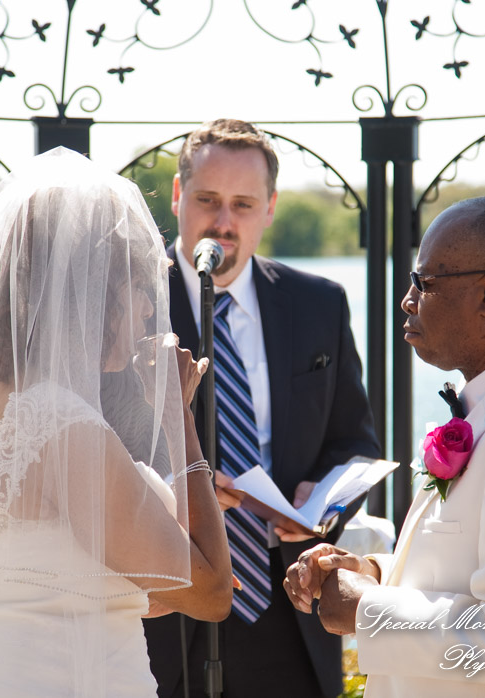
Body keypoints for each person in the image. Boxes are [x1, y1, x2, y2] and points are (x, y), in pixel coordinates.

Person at [0, 147, 232, 698]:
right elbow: (209, 592)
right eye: (135, 289)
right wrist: (178, 415)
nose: (144, 312)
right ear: (91, 293)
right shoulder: (59, 427)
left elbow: (76, 575)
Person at [284, 196, 485, 697]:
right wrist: (369, 570)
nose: (408, 300)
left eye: (424, 282)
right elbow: (467, 578)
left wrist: (367, 610)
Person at [143, 119, 380, 698]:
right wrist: (185, 490)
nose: (223, 222)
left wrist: (319, 509)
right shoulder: (130, 298)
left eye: (243, 204)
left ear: (270, 208)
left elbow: (356, 442)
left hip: (289, 601)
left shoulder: (319, 302)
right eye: (207, 200)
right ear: (178, 197)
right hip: (163, 604)